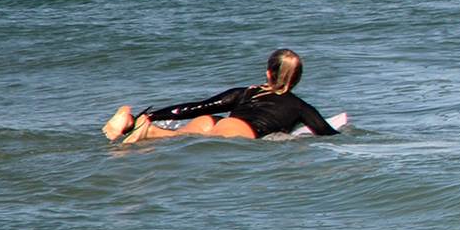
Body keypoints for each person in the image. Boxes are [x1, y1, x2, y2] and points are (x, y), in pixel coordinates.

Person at [102, 48, 338, 144]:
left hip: (214, 122)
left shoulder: (245, 92)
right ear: (297, 78)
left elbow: (196, 107)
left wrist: (152, 114)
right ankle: (146, 131)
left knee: (173, 136)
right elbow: (327, 134)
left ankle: (141, 124)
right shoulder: (300, 107)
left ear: (268, 72)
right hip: (239, 130)